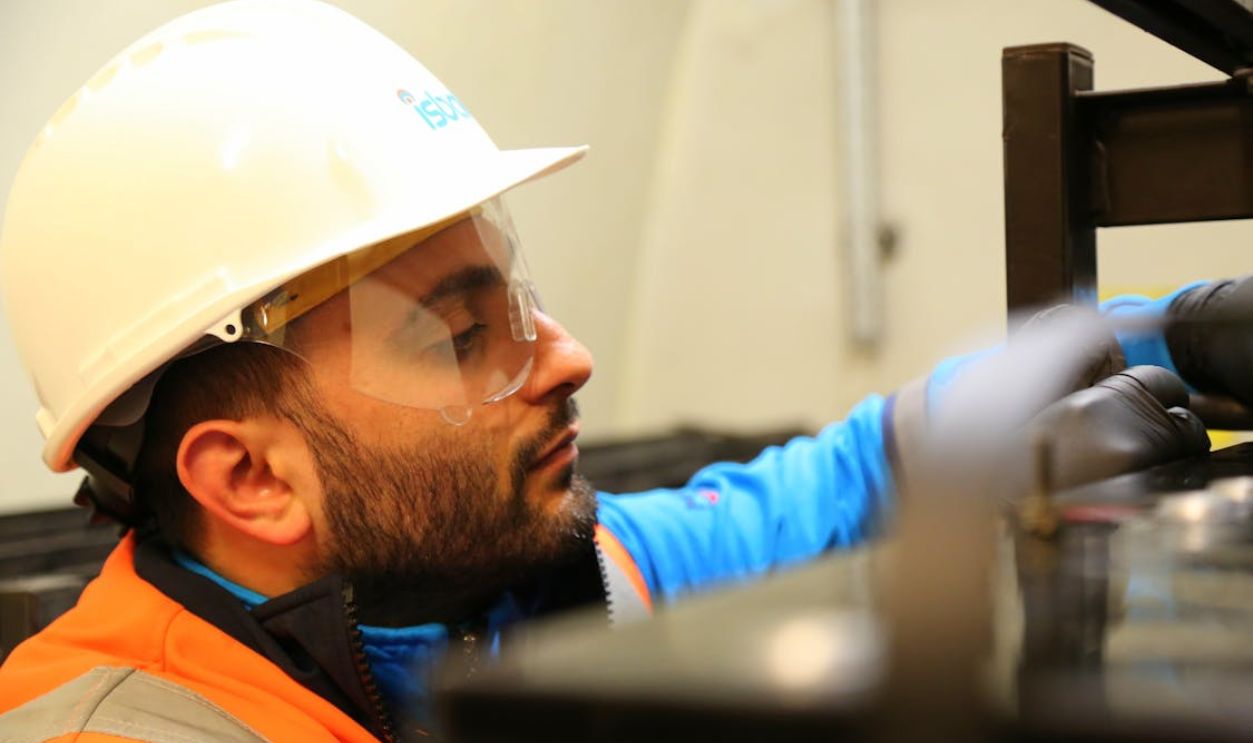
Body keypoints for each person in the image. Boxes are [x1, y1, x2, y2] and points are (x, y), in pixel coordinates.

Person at [0, 2, 1240, 741]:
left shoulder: (504, 582)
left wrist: (1168, 334)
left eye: (520, 298)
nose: (570, 356)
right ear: (251, 478)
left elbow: (846, 479)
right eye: (458, 335)